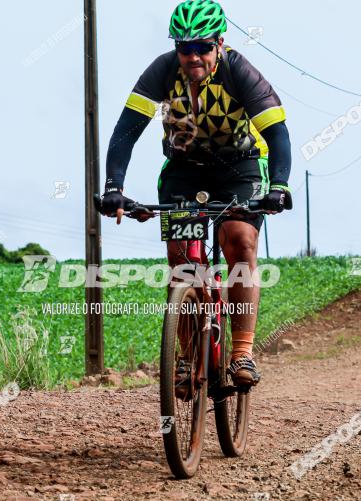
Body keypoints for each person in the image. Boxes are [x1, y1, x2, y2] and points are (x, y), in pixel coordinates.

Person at [100, 0, 292, 389]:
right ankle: (186, 358)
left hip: (239, 167)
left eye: (202, 47)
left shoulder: (240, 71)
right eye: (184, 48)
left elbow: (277, 133)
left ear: (219, 43)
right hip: (185, 170)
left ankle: (242, 352)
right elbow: (125, 132)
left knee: (239, 240)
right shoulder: (162, 70)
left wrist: (279, 186)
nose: (192, 56)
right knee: (181, 259)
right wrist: (114, 189)